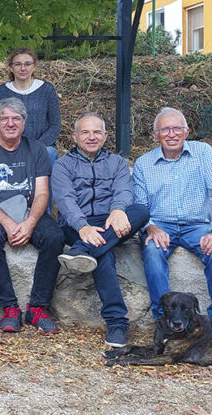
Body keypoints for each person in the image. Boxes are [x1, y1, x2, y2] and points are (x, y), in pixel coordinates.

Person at [51, 112, 149, 347]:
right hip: (77, 224)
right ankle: (117, 323)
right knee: (103, 255)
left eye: (97, 132)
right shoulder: (63, 165)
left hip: (111, 221)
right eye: (85, 132)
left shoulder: (117, 163)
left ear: (105, 136)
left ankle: (82, 251)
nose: (91, 137)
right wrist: (83, 227)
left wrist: (117, 210)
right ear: (75, 137)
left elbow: (125, 191)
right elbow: (65, 201)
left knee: (141, 211)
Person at [0, 97, 63, 334]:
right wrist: (8, 223)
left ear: (24, 122)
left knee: (54, 237)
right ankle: (9, 308)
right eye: (5, 118)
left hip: (30, 211)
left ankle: (38, 308)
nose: (10, 123)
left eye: (16, 118)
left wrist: (30, 223)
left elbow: (42, 192)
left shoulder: (38, 149)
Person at [132, 107, 212, 319]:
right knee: (152, 251)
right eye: (165, 130)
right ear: (155, 135)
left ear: (187, 132)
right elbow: (140, 205)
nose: (172, 134)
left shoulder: (203, 153)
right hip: (160, 224)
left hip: (198, 225)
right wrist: (151, 227)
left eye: (177, 128)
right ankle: (164, 320)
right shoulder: (143, 163)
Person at [0, 48, 60, 167]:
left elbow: (55, 124)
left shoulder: (46, 89)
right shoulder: (0, 92)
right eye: (18, 64)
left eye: (27, 64)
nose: (23, 68)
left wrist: (38, 146)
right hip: (9, 146)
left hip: (42, 146)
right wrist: (11, 145)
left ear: (34, 66)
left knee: (49, 153)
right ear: (11, 67)